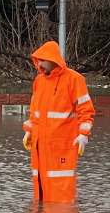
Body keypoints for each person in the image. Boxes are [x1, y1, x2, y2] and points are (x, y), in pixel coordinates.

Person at [23, 41, 96, 203]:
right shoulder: (39, 81)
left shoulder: (74, 79)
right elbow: (34, 111)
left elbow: (86, 110)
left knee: (61, 188)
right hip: (39, 145)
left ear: (52, 59)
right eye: (38, 60)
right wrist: (29, 130)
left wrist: (84, 134)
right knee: (40, 186)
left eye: (42, 59)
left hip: (62, 145)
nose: (39, 64)